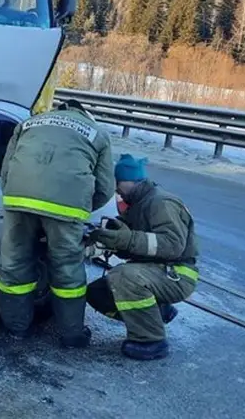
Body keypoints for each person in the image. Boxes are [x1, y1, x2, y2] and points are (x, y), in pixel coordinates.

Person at [0, 99, 115, 347]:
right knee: (67, 271)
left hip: (19, 198)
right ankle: (72, 336)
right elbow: (105, 188)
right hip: (67, 206)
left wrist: (15, 199)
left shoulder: (29, 123)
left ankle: (16, 329)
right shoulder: (98, 134)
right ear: (84, 114)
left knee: (14, 264)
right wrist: (79, 209)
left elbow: (6, 170)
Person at [87, 154, 199, 360]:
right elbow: (133, 244)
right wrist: (106, 239)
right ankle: (156, 313)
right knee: (97, 293)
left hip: (177, 274)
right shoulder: (139, 203)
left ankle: (151, 340)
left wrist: (126, 239)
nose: (116, 190)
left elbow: (172, 245)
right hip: (155, 272)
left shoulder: (161, 202)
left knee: (123, 276)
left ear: (128, 181)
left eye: (118, 184)